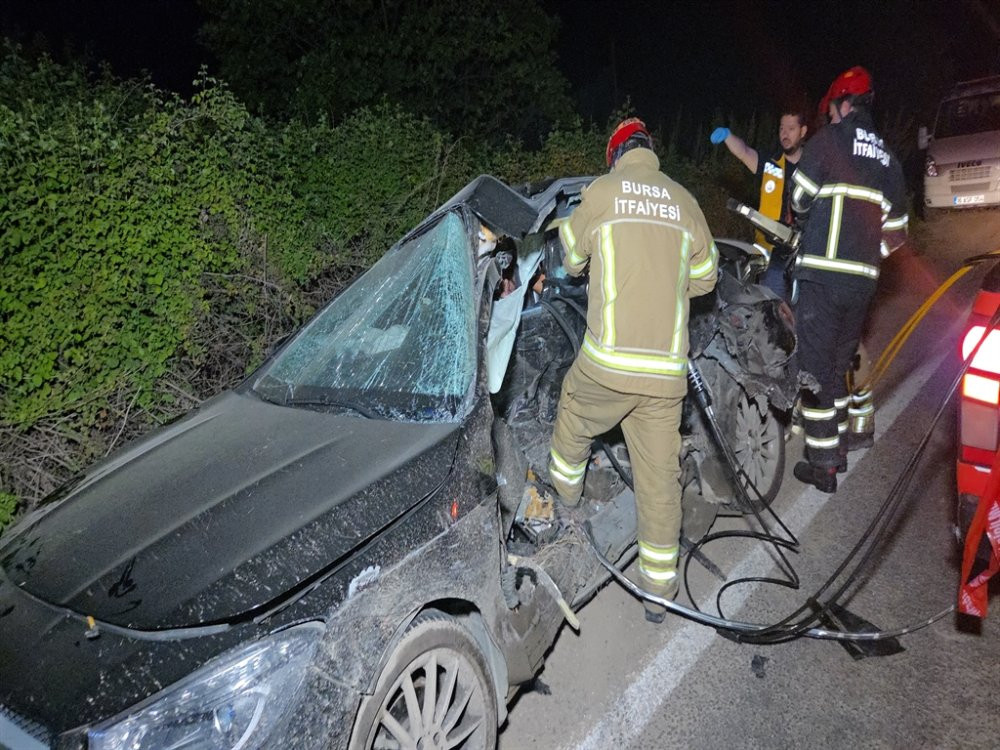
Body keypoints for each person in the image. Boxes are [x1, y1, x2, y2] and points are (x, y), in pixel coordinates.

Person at [548, 118, 718, 621]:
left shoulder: (602, 194)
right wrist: (665, 288)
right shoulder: (685, 202)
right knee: (659, 479)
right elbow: (706, 280)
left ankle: (565, 505)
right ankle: (659, 594)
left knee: (572, 419)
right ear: (651, 151)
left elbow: (572, 259)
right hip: (666, 375)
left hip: (609, 366)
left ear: (616, 154)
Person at [788, 66, 908, 493]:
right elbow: (897, 232)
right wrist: (864, 256)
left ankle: (823, 464)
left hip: (821, 278)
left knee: (815, 370)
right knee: (838, 366)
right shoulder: (889, 160)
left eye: (832, 110)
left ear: (842, 104)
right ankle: (835, 446)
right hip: (862, 286)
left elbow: (799, 198)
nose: (832, 118)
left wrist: (814, 229)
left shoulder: (827, 142)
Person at [710, 108, 809, 300]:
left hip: (806, 249)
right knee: (771, 298)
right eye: (781, 128)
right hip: (772, 249)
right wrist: (728, 136)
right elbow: (745, 152)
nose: (785, 134)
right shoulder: (771, 164)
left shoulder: (814, 167)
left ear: (803, 131)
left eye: (791, 128)